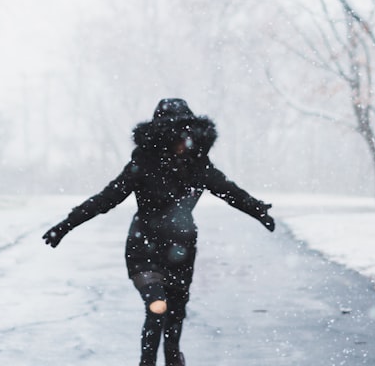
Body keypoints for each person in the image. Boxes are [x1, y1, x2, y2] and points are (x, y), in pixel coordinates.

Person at [42, 98, 275, 366]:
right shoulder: (142, 165)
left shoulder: (199, 165)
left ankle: (173, 355)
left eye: (188, 134)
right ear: (163, 135)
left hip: (182, 250)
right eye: (177, 134)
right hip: (144, 249)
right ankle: (147, 362)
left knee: (176, 314)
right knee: (157, 307)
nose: (184, 141)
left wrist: (257, 210)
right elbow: (106, 199)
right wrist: (66, 225)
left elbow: (229, 191)